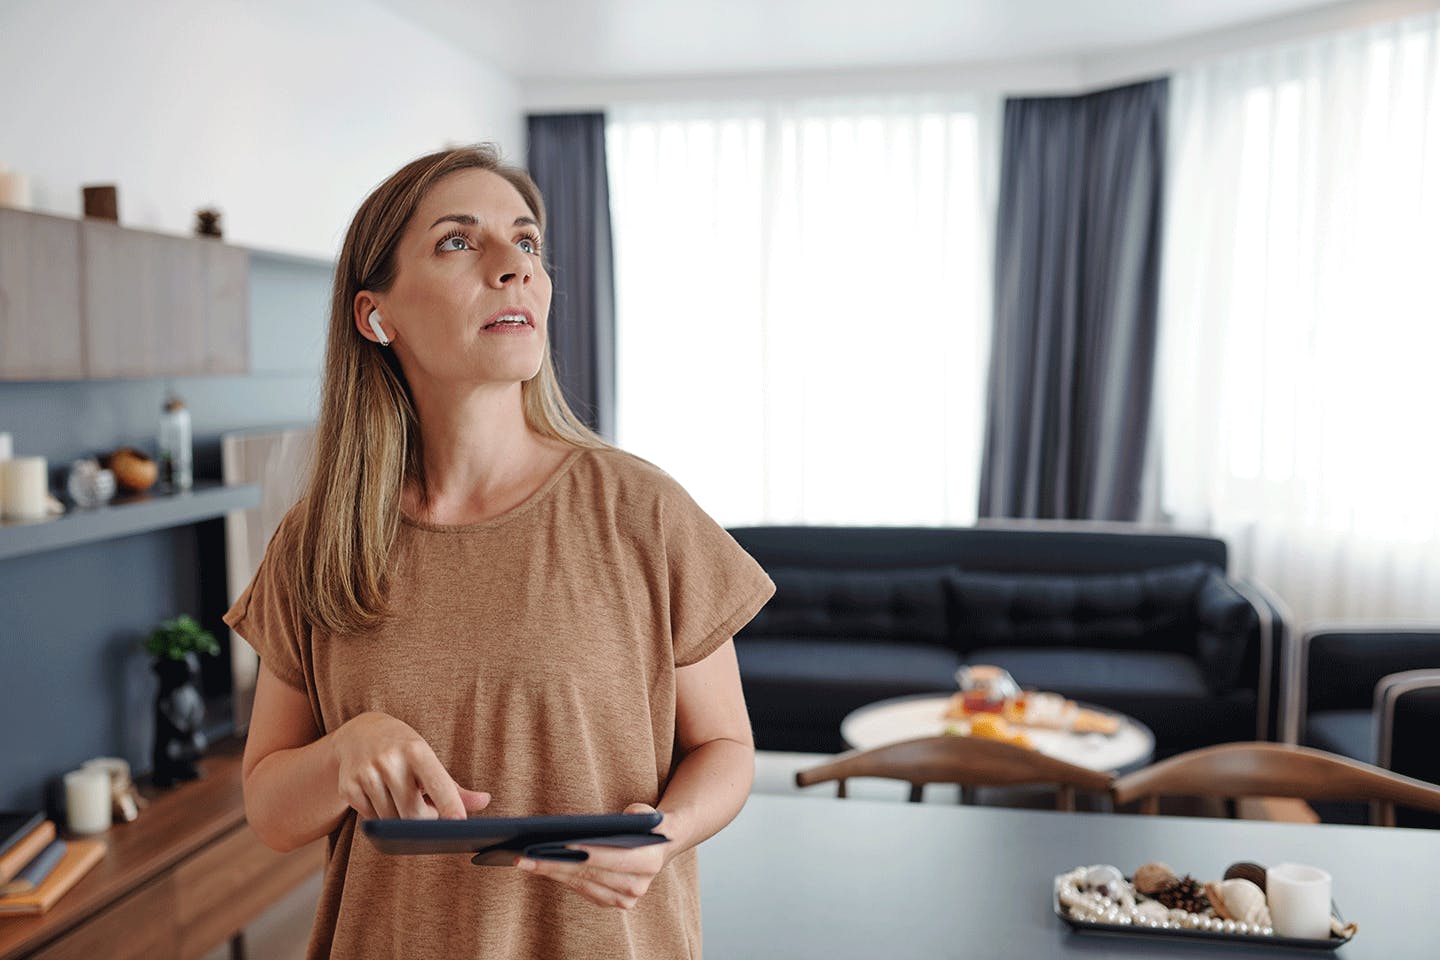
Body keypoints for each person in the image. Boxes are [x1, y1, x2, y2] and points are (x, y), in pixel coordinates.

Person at [225, 143, 776, 959]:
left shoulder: (641, 511)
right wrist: (342, 756)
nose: (513, 268)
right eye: (458, 241)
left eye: (526, 244)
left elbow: (727, 749)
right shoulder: (318, 541)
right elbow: (270, 808)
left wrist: (665, 835)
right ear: (377, 316)